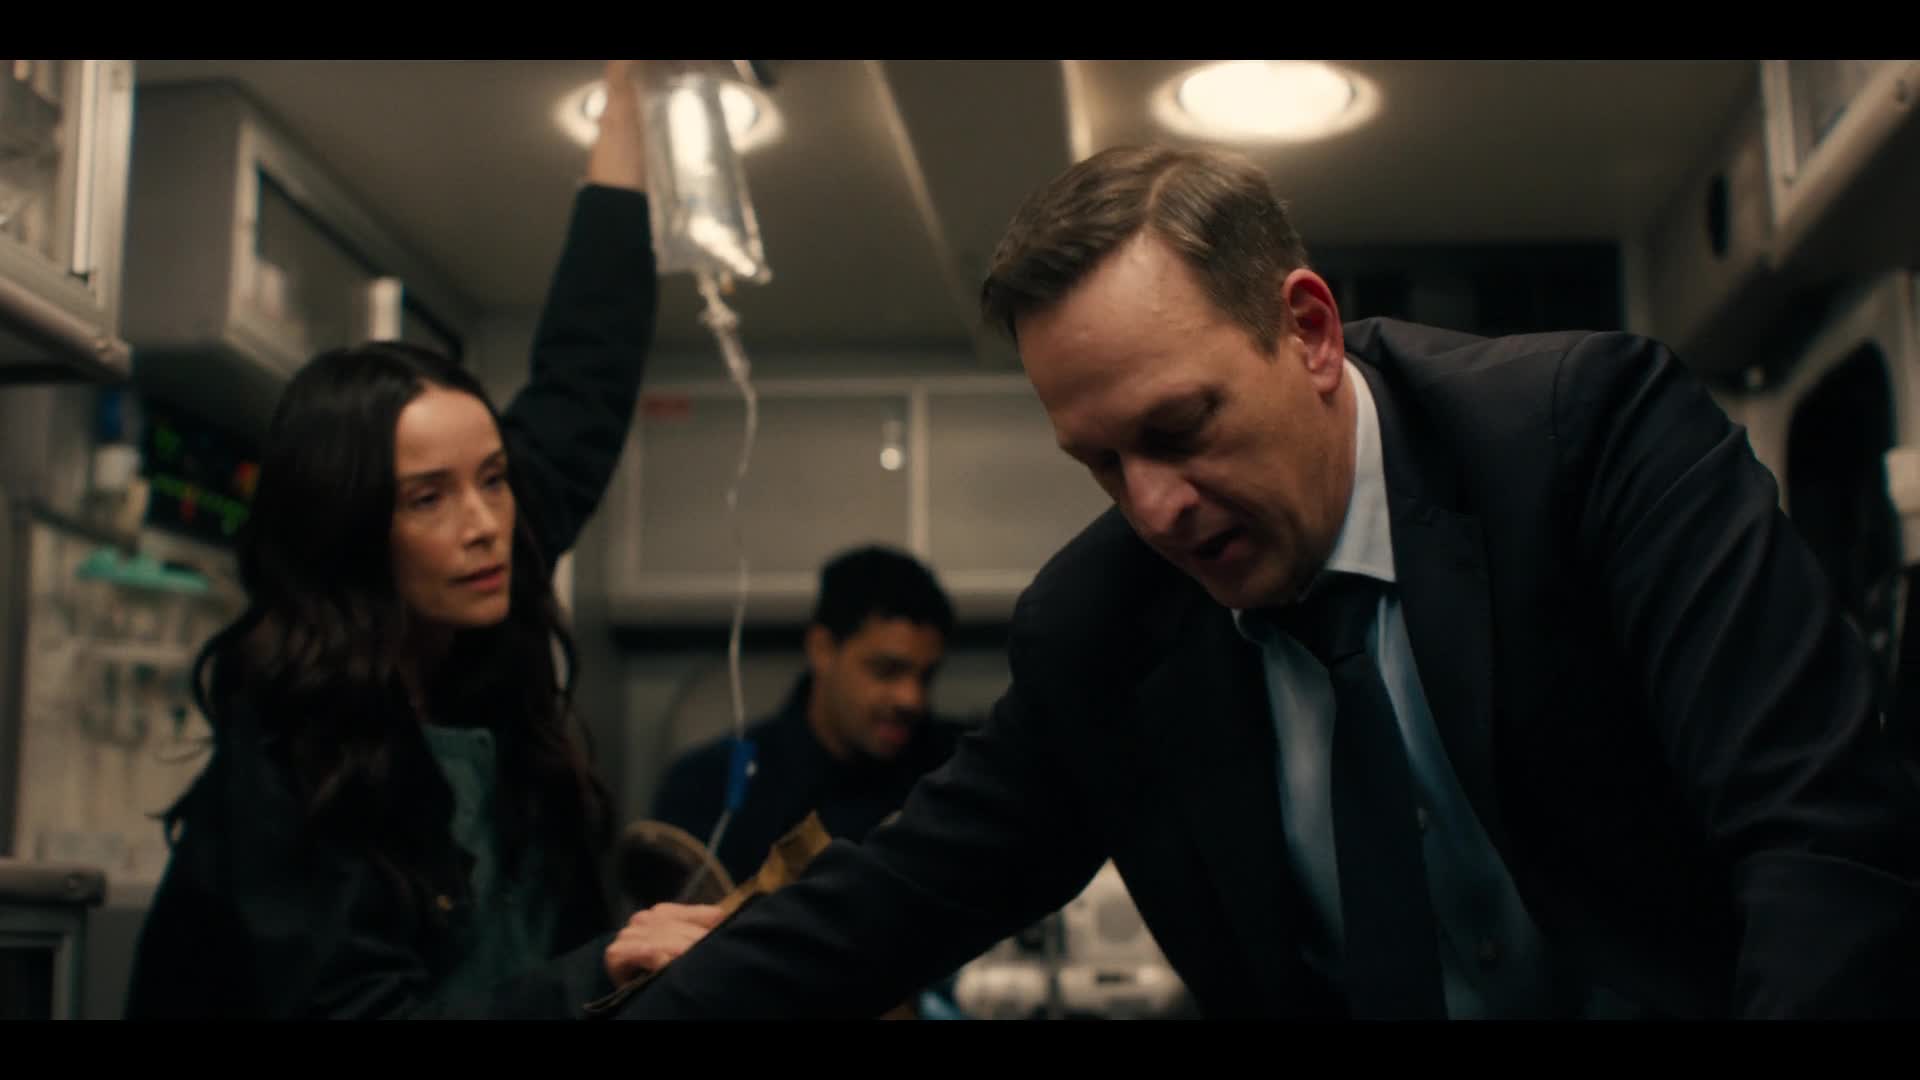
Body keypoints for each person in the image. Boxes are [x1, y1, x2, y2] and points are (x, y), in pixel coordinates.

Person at [604, 143, 1920, 1020]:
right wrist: (735, 965)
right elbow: (916, 885)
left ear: (1308, 330)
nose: (1154, 508)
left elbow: (1818, 837)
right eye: (1101, 464)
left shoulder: (1589, 442)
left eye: (1181, 429)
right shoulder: (1100, 624)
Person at [123, 60, 720, 1019]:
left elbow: (589, 363)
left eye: (494, 478)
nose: (483, 524)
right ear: (351, 530)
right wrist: (599, 973)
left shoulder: (487, 576)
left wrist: (628, 88)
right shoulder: (288, 762)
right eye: (426, 498)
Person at [650, 545, 962, 886]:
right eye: (886, 670)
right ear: (822, 649)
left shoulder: (954, 775)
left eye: (926, 677)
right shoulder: (710, 788)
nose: (911, 699)